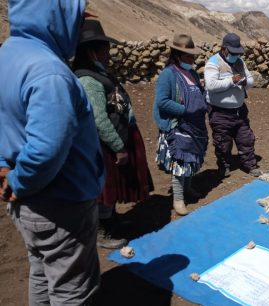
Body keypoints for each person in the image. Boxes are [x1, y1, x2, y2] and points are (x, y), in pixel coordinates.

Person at [0, 1, 104, 304]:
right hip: (60, 204)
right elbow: (47, 148)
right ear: (56, 15)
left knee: (42, 272)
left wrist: (5, 167)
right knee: (72, 290)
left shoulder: (8, 55)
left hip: (30, 202)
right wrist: (19, 181)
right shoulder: (49, 72)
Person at [73, 19, 154, 249]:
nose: (109, 53)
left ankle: (111, 219)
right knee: (104, 188)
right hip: (103, 146)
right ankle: (100, 230)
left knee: (114, 185)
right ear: (92, 52)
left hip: (115, 138)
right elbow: (98, 118)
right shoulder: (88, 80)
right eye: (105, 49)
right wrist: (117, 145)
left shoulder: (99, 74)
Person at [154, 34, 208, 216]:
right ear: (177, 55)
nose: (192, 60)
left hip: (195, 125)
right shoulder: (167, 75)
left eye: (193, 56)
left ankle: (188, 187)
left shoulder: (192, 73)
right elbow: (162, 101)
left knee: (193, 158)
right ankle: (178, 198)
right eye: (188, 56)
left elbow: (198, 92)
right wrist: (185, 110)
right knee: (180, 162)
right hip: (178, 125)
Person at [204, 33, 260, 177]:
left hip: (239, 110)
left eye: (237, 53)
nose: (235, 55)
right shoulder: (213, 63)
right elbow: (211, 85)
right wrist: (231, 81)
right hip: (220, 112)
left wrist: (245, 82)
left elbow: (250, 79)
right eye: (233, 53)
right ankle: (224, 166)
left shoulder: (240, 62)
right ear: (224, 49)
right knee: (223, 142)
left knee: (246, 138)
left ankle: (250, 165)